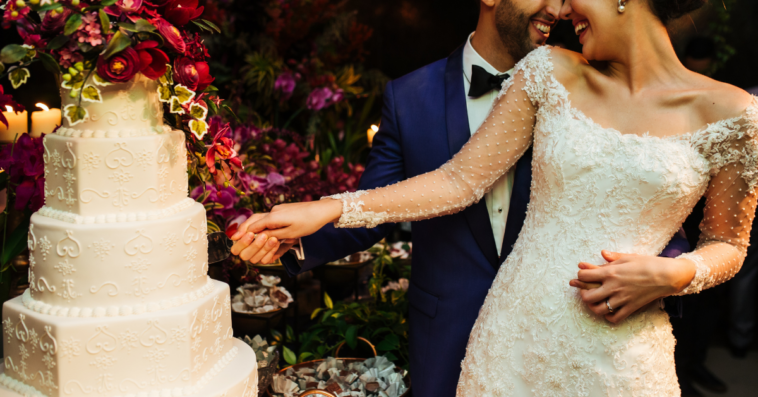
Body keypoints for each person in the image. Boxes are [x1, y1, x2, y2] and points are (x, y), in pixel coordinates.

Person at [235, 0, 758, 396]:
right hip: (511, 344)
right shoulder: (550, 71)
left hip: (620, 356)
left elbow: (728, 245)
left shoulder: (735, 116)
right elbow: (459, 181)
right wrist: (327, 207)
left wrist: (675, 274)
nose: (562, 10)